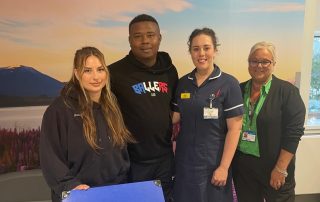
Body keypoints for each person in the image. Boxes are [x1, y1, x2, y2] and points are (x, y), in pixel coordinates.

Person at [40, 46, 134, 202]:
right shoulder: (60, 110)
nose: (96, 77)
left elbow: (119, 149)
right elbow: (50, 157)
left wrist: (124, 179)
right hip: (79, 194)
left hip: (114, 191)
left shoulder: (112, 104)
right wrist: (70, 186)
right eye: (88, 71)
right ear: (77, 73)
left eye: (100, 69)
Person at [108, 14, 178, 202]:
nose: (145, 41)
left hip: (164, 158)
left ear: (159, 38)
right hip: (132, 161)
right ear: (130, 40)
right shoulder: (115, 73)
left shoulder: (170, 71)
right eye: (138, 36)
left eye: (150, 35)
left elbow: (173, 110)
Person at [172, 27, 244, 202]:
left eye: (206, 48)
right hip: (185, 163)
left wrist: (224, 167)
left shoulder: (229, 83)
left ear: (215, 50)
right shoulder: (183, 83)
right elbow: (174, 118)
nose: (201, 53)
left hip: (214, 164)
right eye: (196, 49)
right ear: (190, 52)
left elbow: (235, 129)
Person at [232, 41, 306, 202]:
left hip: (274, 166)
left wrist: (280, 169)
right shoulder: (239, 89)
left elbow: (293, 134)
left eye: (265, 61)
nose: (259, 65)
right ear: (248, 62)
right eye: (254, 61)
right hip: (244, 167)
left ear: (273, 64)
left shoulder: (287, 92)